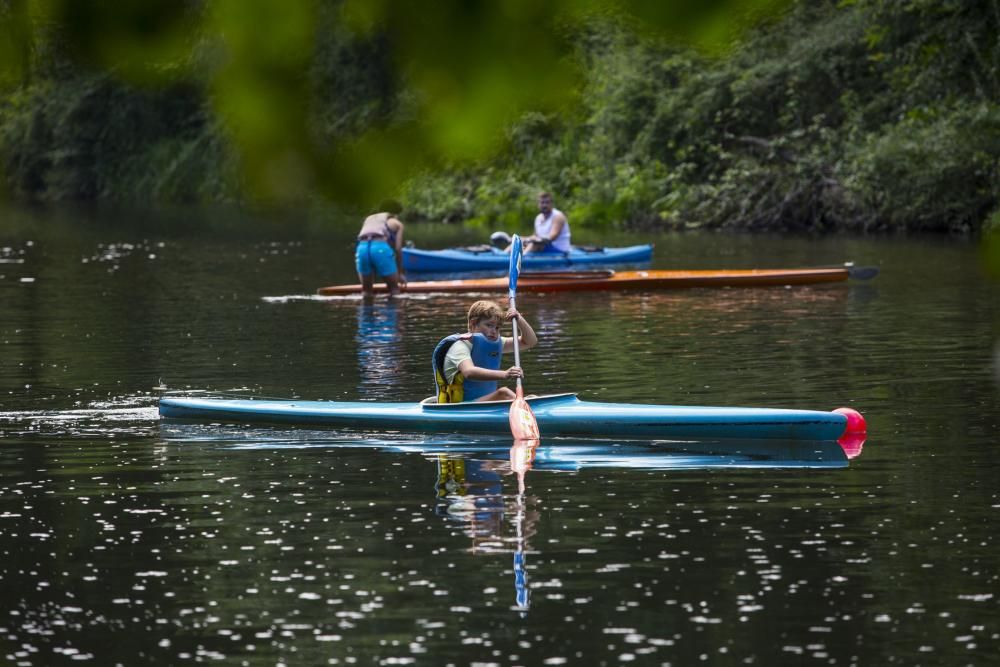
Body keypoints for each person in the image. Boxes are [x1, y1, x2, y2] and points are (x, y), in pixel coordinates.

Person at [432, 300, 538, 403]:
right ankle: (529, 408)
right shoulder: (459, 345)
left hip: (483, 404)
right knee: (503, 393)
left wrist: (519, 319)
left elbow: (529, 342)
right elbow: (469, 372)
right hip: (459, 407)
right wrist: (505, 374)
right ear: (473, 324)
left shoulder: (495, 343)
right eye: (489, 325)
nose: (494, 331)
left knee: (513, 395)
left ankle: (526, 404)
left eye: (497, 328)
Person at [355, 206, 406, 296]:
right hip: (380, 248)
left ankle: (366, 309)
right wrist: (400, 273)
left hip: (362, 248)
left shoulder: (369, 219)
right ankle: (393, 308)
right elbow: (398, 248)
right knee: (394, 289)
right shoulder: (396, 222)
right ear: (395, 214)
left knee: (366, 291)